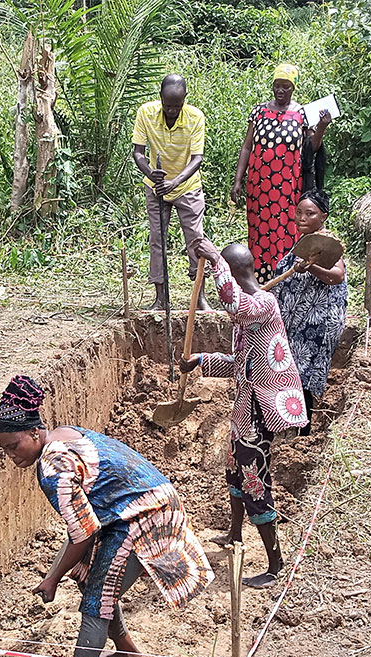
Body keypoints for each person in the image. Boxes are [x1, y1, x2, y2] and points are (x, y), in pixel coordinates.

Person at [0, 375, 213, 657]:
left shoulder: (52, 468)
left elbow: (83, 534)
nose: (11, 455)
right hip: (137, 505)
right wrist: (55, 572)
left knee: (98, 595)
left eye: (13, 445)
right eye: (5, 449)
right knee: (88, 576)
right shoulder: (61, 434)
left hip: (144, 514)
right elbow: (81, 529)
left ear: (33, 432)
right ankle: (128, 653)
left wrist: (53, 578)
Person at [181, 239, 308, 588]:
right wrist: (201, 360)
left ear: (234, 275)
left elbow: (235, 305)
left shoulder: (263, 304)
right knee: (235, 474)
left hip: (262, 413)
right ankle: (235, 534)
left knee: (254, 484)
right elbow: (241, 364)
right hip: (245, 410)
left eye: (224, 276)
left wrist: (214, 260)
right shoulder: (249, 314)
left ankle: (275, 563)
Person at [230, 64, 331, 283]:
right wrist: (238, 180)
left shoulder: (302, 114)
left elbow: (311, 149)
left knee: (286, 229)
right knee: (259, 231)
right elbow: (247, 146)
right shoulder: (258, 112)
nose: (280, 91)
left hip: (288, 186)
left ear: (293, 88)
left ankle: (285, 278)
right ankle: (259, 280)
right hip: (259, 186)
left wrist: (321, 127)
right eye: (277, 86)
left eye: (286, 86)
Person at [131, 74, 210, 311]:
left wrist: (174, 182)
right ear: (160, 98)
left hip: (186, 185)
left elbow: (197, 158)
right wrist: (151, 172)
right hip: (156, 186)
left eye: (177, 105)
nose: (173, 110)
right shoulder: (146, 113)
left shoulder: (195, 117)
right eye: (168, 105)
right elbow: (138, 153)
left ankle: (199, 296)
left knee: (196, 239)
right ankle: (161, 297)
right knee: (157, 239)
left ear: (185, 99)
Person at [271, 189, 347, 434]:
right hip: (298, 321)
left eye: (310, 213)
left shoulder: (327, 244)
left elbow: (337, 276)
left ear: (323, 216)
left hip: (317, 322)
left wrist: (311, 268)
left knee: (303, 373)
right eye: (299, 212)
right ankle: (291, 424)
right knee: (293, 371)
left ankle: (303, 430)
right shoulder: (306, 243)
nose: (302, 218)